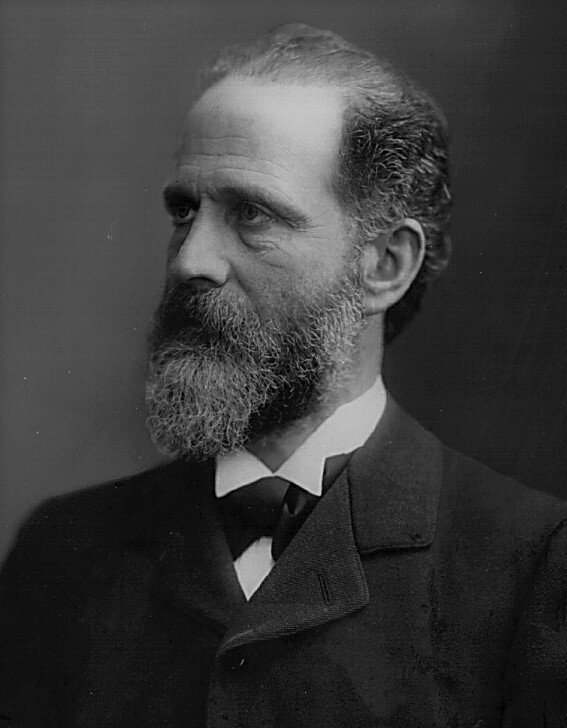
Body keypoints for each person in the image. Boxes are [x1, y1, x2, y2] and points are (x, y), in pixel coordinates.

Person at [1, 23, 566, 728]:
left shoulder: (533, 565)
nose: (190, 261)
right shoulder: (62, 552)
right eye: (185, 210)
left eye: (252, 214)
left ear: (384, 265)